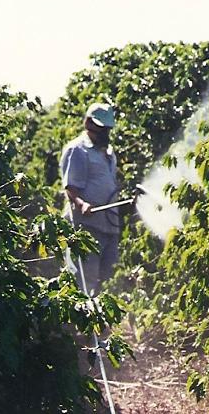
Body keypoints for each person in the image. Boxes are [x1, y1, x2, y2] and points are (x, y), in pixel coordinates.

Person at [60, 102, 120, 294]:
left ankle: (103, 323)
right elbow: (70, 187)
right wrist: (81, 204)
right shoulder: (78, 150)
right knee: (83, 281)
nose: (103, 134)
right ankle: (76, 323)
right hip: (86, 229)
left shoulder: (108, 153)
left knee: (108, 281)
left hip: (109, 226)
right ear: (88, 124)